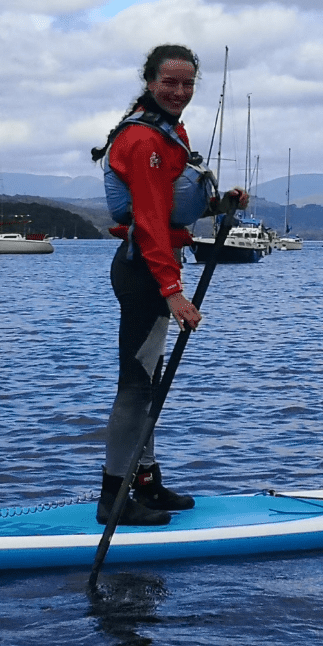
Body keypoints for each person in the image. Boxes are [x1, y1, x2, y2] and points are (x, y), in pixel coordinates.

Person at [90, 44, 248, 526]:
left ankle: (145, 483)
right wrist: (172, 291)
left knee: (149, 384)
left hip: (153, 268)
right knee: (136, 386)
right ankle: (113, 499)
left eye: (187, 84)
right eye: (169, 83)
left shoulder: (168, 132)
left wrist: (221, 206)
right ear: (150, 81)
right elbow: (151, 221)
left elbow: (172, 209)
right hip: (144, 273)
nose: (179, 92)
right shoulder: (143, 140)